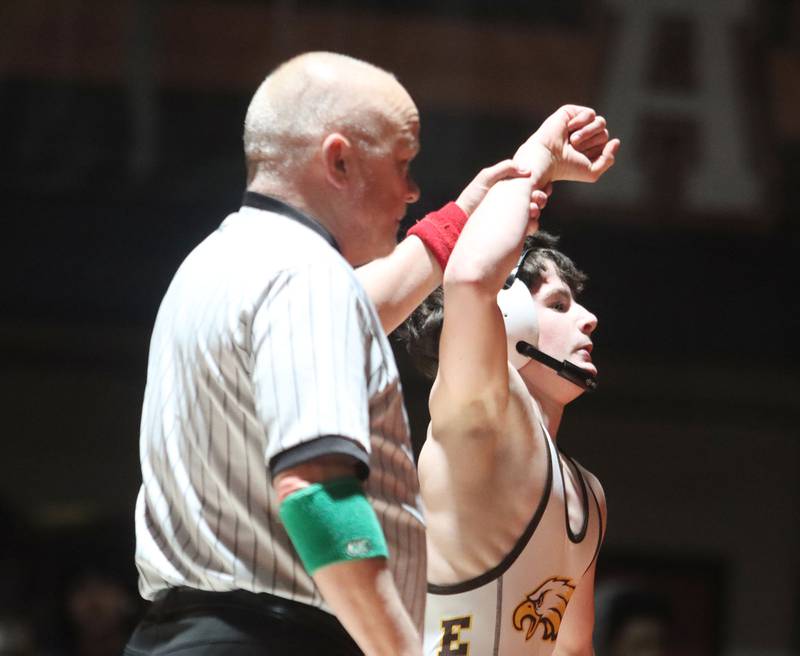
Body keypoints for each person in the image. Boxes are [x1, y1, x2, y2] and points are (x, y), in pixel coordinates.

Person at [124, 51, 542, 656]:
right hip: (273, 641)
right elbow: (316, 494)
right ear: (340, 160)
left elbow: (375, 303)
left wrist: (471, 211)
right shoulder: (307, 276)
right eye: (402, 164)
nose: (413, 189)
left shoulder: (215, 261)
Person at [398, 107, 620, 655]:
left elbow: (572, 650)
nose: (587, 319)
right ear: (510, 317)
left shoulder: (589, 496)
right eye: (560, 304)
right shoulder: (480, 414)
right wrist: (539, 158)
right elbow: (471, 278)